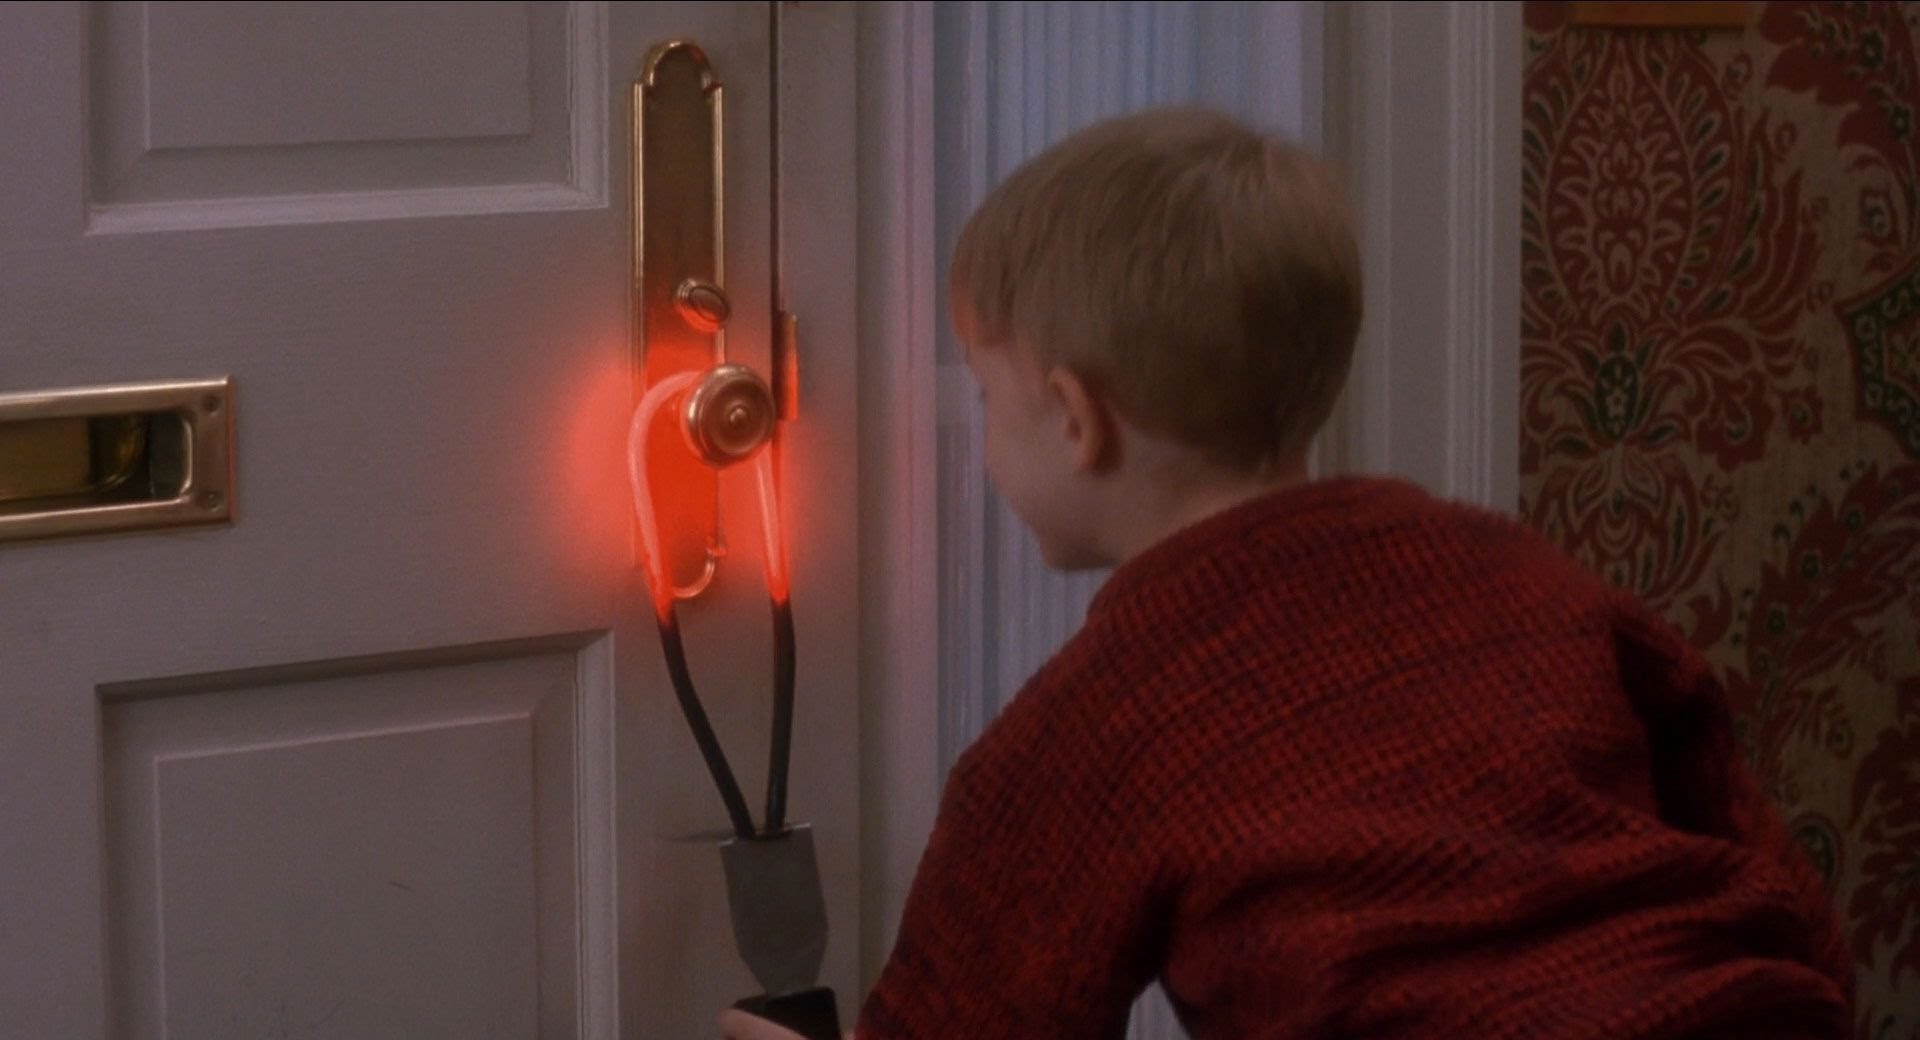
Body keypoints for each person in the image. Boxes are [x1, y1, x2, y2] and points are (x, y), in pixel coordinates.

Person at [721, 106, 1854, 1039]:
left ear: (1073, 419)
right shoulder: (1519, 571)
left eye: (985, 394)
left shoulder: (1093, 726)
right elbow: (1759, 854)